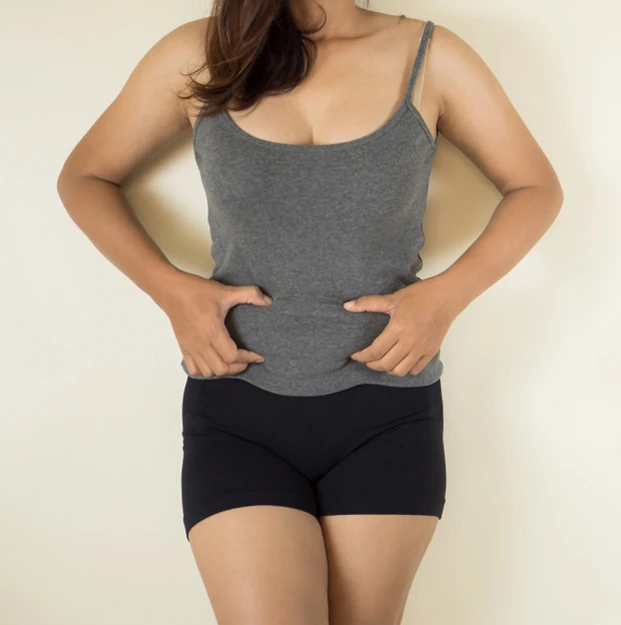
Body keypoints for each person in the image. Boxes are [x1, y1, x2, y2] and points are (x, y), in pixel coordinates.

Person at [57, 1, 563, 623]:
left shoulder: (430, 56)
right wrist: (171, 291)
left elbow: (536, 187)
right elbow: (85, 177)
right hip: (237, 409)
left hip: (387, 410)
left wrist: (446, 296)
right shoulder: (203, 53)